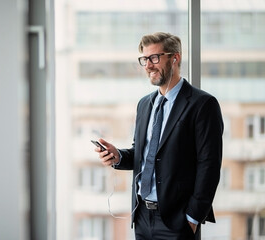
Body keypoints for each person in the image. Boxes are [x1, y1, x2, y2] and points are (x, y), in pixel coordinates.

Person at [94, 32, 223, 240]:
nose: (148, 65)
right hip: (142, 217)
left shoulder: (203, 105)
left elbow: (209, 165)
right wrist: (117, 156)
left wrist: (192, 217)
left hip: (178, 222)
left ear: (175, 58)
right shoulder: (145, 104)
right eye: (144, 59)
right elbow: (142, 154)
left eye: (155, 58)